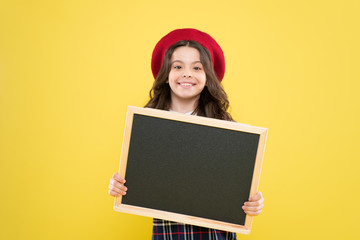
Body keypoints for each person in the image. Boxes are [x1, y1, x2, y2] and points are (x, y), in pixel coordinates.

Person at [108, 28, 264, 240]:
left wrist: (253, 202)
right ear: (166, 75)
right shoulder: (147, 127)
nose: (187, 73)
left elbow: (238, 188)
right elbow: (138, 180)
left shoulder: (224, 128)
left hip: (215, 235)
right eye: (178, 66)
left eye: (197, 67)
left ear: (208, 76)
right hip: (169, 232)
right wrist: (119, 186)